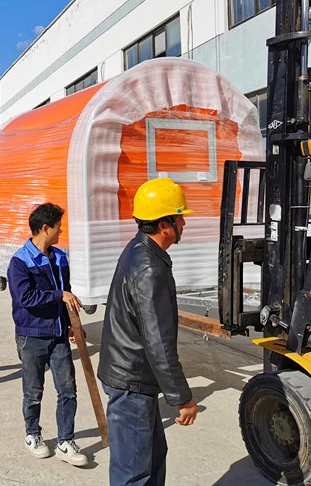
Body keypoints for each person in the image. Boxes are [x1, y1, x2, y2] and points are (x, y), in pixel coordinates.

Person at [98, 178, 199, 486]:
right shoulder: (150, 269)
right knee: (134, 474)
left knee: (152, 460)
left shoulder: (140, 251)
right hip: (132, 382)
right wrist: (182, 397)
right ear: (164, 223)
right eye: (179, 216)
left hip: (134, 378)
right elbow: (158, 343)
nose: (184, 222)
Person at [7, 203, 89, 467]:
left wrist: (71, 324)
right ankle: (33, 435)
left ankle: (65, 440)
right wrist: (58, 295)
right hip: (31, 336)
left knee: (68, 390)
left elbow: (65, 294)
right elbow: (26, 297)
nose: (60, 232)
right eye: (58, 227)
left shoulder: (59, 258)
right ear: (45, 228)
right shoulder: (20, 262)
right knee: (33, 391)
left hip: (58, 335)